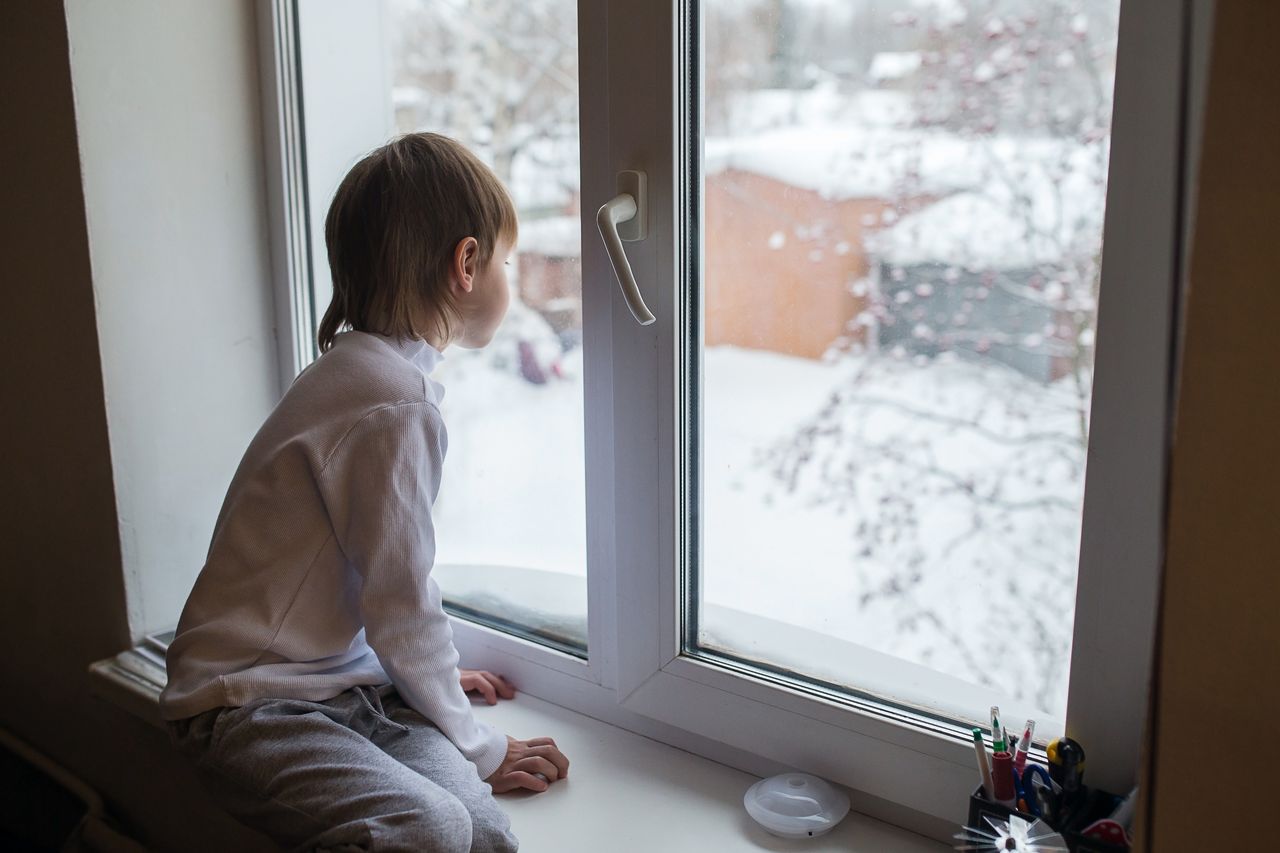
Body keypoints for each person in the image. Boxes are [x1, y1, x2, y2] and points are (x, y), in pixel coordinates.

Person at [160, 132, 568, 852]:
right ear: (466, 264)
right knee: (429, 826)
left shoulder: (366, 376)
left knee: (482, 830)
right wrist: (479, 742)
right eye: (505, 258)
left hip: (346, 687)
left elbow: (371, 597)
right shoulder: (390, 401)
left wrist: (419, 681)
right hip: (249, 703)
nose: (511, 274)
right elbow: (400, 602)